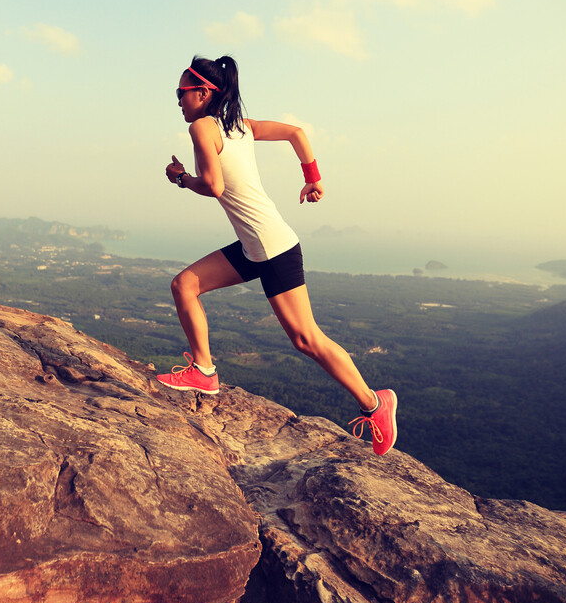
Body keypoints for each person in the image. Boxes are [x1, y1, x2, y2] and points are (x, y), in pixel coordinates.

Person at [156, 55, 397, 456]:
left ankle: (376, 403)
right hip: (256, 246)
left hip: (272, 248)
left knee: (306, 338)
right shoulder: (238, 127)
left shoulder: (203, 128)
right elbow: (297, 133)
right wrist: (313, 179)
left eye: (181, 92)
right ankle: (204, 371)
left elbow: (214, 186)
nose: (177, 100)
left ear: (203, 93)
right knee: (184, 285)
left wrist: (181, 179)